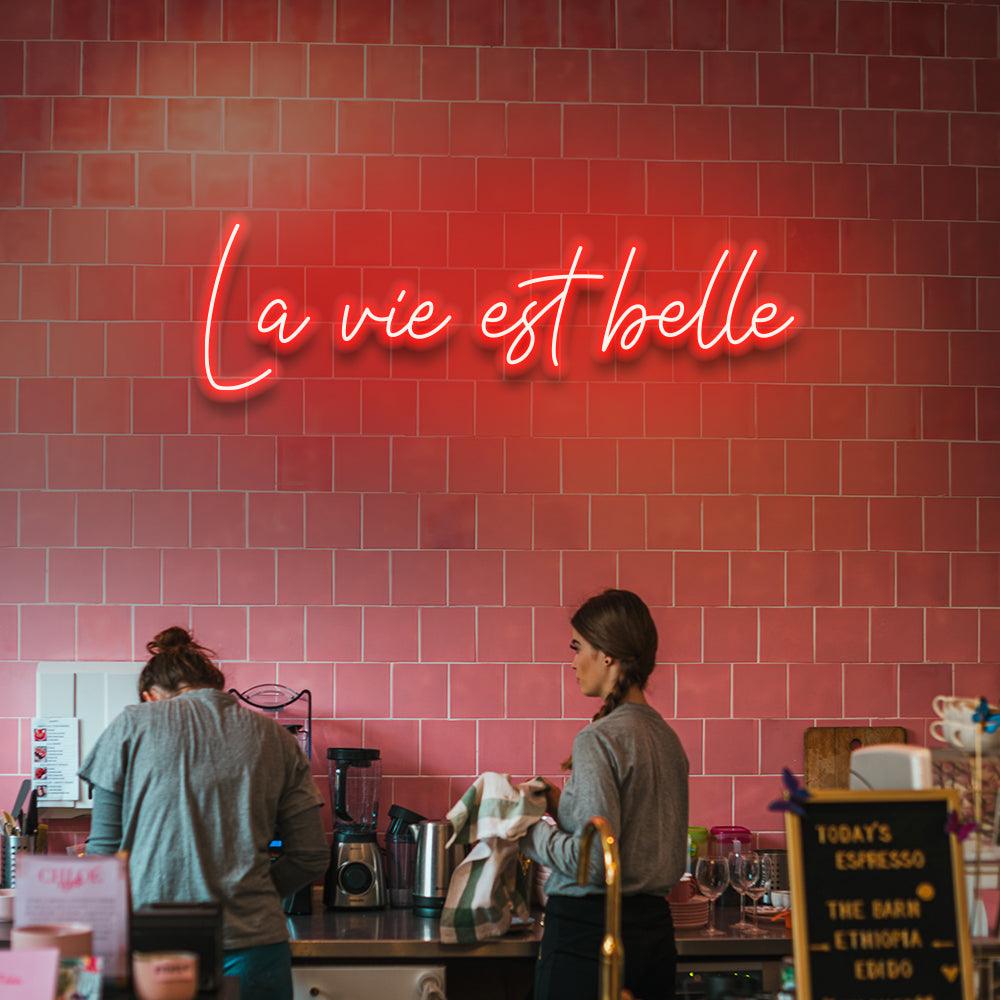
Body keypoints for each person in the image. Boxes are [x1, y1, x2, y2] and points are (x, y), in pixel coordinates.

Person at [80, 627, 328, 1000]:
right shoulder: (277, 738)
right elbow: (311, 856)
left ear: (150, 697)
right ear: (215, 686)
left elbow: (102, 855)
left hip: (153, 949)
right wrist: (254, 892)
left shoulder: (130, 726)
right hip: (254, 944)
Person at [522, 589, 689, 1000]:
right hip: (654, 938)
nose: (573, 661)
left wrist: (526, 830)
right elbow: (626, 834)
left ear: (608, 655)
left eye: (578, 647)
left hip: (589, 937)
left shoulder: (598, 739)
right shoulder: (667, 739)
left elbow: (596, 863)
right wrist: (560, 804)